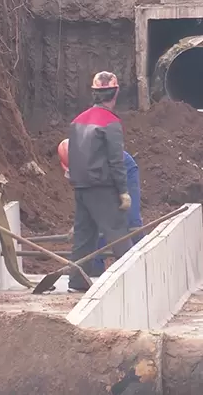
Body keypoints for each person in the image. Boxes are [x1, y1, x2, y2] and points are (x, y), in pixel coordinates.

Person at [65, 71, 133, 292]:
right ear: (115, 93)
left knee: (84, 235)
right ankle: (132, 280)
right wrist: (123, 190)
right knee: (117, 232)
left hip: (81, 187)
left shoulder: (77, 121)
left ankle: (76, 281)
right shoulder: (111, 123)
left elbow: (71, 155)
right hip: (102, 187)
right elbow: (116, 160)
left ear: (94, 93)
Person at [58, 139, 144, 277]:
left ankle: (141, 264)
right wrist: (80, 225)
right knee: (94, 227)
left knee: (130, 221)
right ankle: (94, 270)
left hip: (123, 170)